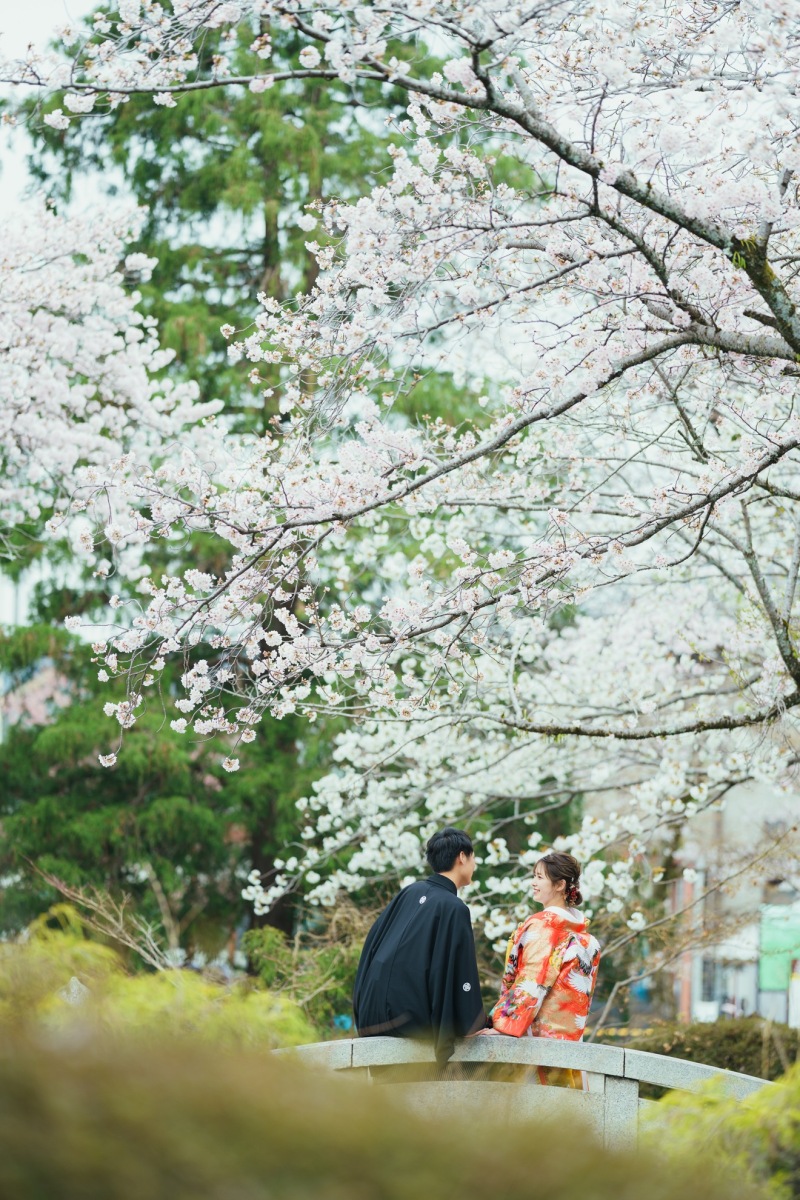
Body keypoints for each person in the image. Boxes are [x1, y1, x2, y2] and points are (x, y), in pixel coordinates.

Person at [353, 827, 486, 1064]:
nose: (475, 864)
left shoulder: (410, 892)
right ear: (462, 857)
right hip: (410, 1020)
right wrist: (472, 1021)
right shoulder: (454, 907)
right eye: (473, 857)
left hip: (372, 1016)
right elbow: (459, 969)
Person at [481, 851, 601, 1088]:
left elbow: (532, 982)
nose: (533, 883)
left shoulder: (544, 926)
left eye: (539, 877)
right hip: (570, 1041)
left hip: (536, 1041)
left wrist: (502, 1024)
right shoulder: (585, 937)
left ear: (560, 885)